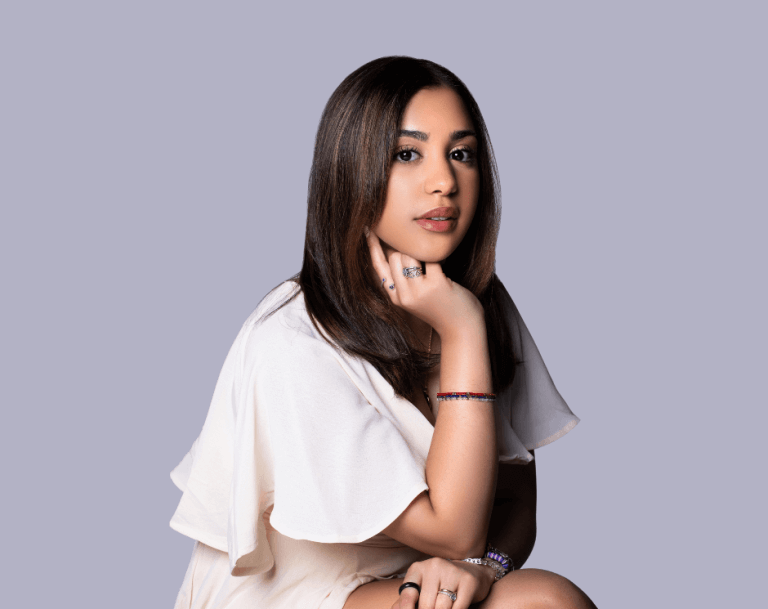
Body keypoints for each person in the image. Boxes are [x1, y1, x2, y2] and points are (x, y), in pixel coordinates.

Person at [169, 56, 597, 609]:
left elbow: (514, 503)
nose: (444, 181)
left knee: (541, 600)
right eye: (407, 154)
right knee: (544, 600)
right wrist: (463, 333)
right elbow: (456, 531)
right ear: (353, 170)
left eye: (461, 154)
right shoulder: (292, 341)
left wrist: (484, 571)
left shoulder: (475, 299)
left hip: (409, 583)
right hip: (295, 594)